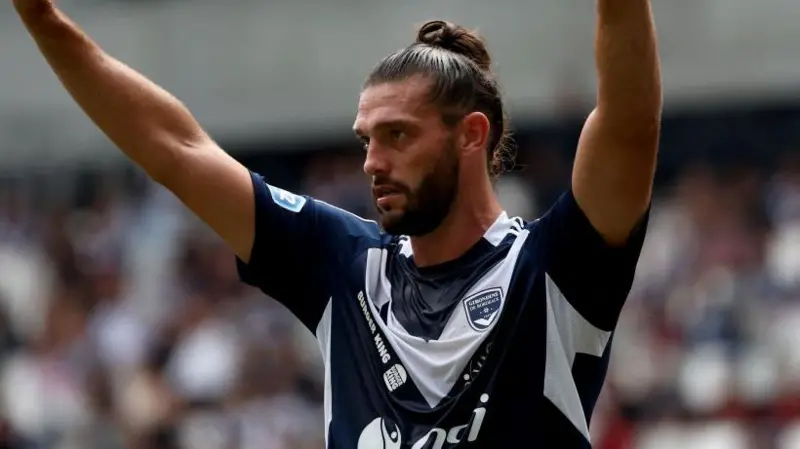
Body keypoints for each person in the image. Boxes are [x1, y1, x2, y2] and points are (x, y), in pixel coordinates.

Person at [12, 0, 661, 446]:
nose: (372, 162)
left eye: (398, 135)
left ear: (471, 135)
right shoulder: (343, 263)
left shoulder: (553, 267)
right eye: (366, 139)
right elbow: (176, 149)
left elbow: (628, 121)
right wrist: (42, 19)